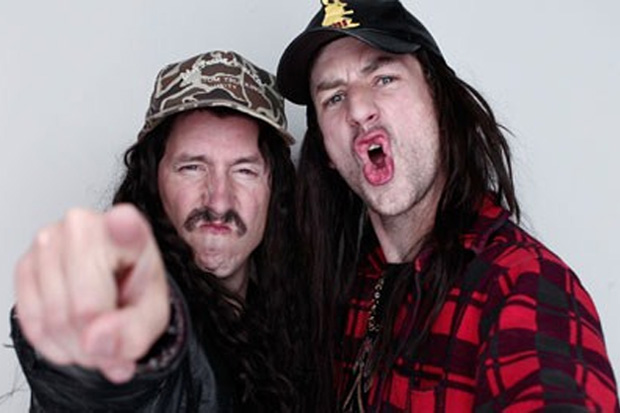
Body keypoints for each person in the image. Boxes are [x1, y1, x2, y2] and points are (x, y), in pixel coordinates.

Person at [276, 0, 619, 411]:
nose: (359, 110)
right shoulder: (345, 288)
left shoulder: (522, 285)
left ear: (440, 103)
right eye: (334, 97)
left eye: (384, 78)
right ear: (327, 152)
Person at [11, 50, 310, 412]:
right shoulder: (141, 309)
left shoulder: (293, 318)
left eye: (244, 170)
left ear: (275, 189)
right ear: (153, 181)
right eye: (192, 167)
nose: (218, 200)